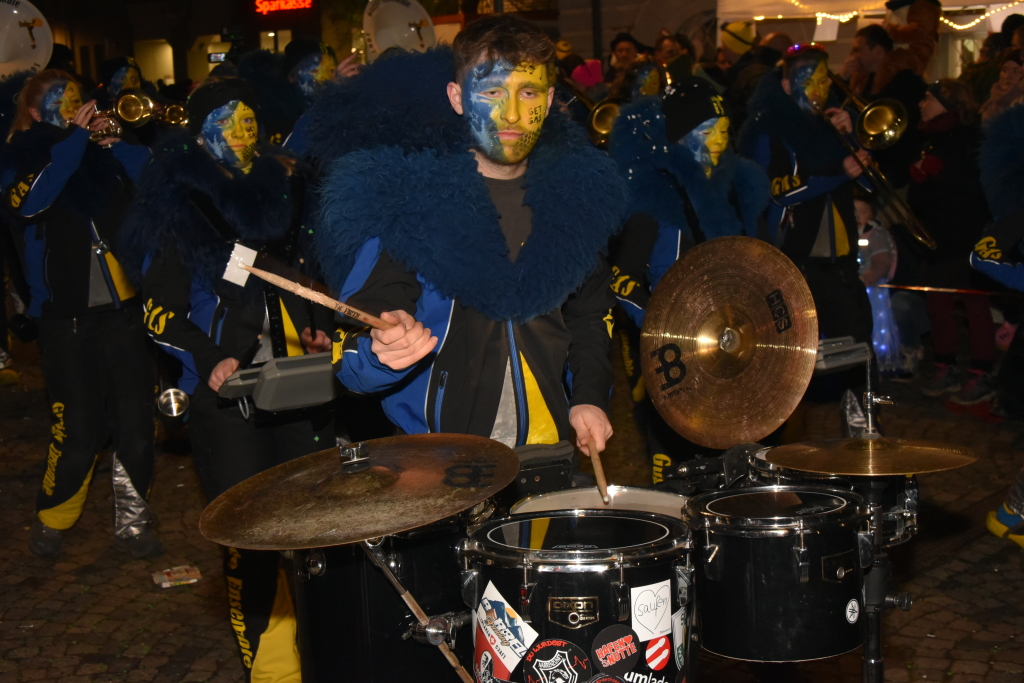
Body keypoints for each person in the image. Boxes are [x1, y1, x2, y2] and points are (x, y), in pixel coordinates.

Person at [315, 16, 625, 464]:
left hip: (549, 457)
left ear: (552, 99)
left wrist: (591, 395)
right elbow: (351, 355)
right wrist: (384, 351)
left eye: (529, 93)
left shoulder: (574, 203)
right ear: (457, 98)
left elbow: (589, 317)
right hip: (438, 465)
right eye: (492, 92)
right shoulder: (407, 206)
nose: (512, 114)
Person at [118, 78, 334, 682]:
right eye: (225, 120)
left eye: (248, 120)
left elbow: (307, 279)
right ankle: (272, 673)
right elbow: (157, 311)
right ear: (200, 133)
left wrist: (316, 328)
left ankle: (321, 652)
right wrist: (208, 355)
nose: (239, 133)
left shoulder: (286, 187)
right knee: (250, 542)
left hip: (298, 382)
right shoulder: (178, 202)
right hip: (228, 398)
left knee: (314, 532)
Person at [0, 69, 159, 559]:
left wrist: (114, 145)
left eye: (76, 97)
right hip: (64, 320)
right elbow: (30, 202)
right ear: (33, 111)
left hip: (124, 311)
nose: (74, 105)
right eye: (60, 100)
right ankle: (53, 519)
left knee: (136, 424)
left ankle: (134, 525)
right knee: (78, 429)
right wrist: (74, 141)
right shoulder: (20, 157)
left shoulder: (104, 154)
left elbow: (155, 183)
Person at [608, 77, 770, 482]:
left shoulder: (736, 188)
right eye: (706, 130)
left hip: (734, 347)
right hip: (675, 355)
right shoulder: (654, 198)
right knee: (676, 467)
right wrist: (667, 325)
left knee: (738, 463)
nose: (719, 137)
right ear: (681, 138)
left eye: (723, 127)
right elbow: (620, 280)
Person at [739, 45, 875, 401]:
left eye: (822, 81)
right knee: (796, 358)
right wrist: (837, 171)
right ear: (786, 85)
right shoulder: (770, 128)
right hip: (798, 257)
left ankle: (863, 426)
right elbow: (776, 192)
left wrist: (853, 138)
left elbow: (872, 183)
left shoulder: (831, 123)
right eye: (807, 81)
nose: (817, 90)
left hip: (841, 259)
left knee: (860, 347)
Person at [910, 79, 995, 404]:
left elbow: (974, 188)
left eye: (929, 98)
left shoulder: (971, 140)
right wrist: (920, 179)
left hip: (968, 237)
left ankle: (981, 372)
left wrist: (938, 172)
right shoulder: (929, 140)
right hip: (938, 240)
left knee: (975, 308)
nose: (922, 103)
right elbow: (922, 200)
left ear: (949, 102)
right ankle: (945, 366)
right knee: (939, 307)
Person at [845, 23, 927, 189]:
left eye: (858, 50)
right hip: (878, 165)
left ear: (877, 51)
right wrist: (845, 79)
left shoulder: (905, 79)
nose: (854, 56)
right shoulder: (865, 81)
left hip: (897, 168)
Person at [854, 191, 902, 372]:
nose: (857, 216)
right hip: (853, 289)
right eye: (853, 211)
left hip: (872, 290)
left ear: (872, 214)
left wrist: (867, 277)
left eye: (863, 211)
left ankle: (876, 365)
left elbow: (882, 263)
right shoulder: (846, 234)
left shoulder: (876, 235)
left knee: (873, 328)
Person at [980, 49, 1024, 123]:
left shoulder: (1021, 102)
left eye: (1016, 71)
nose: (1008, 76)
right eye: (1005, 70)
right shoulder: (991, 103)